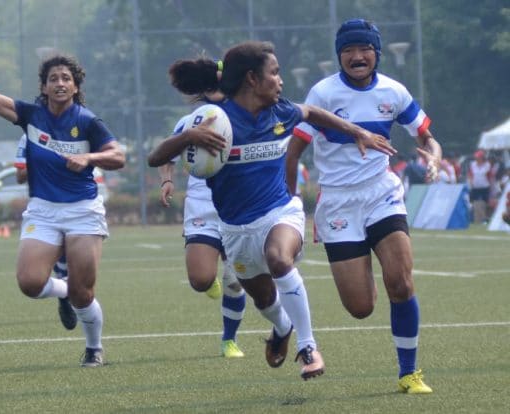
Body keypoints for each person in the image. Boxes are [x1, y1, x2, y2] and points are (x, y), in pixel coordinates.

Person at [148, 40, 395, 380]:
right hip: (235, 230)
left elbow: (311, 112)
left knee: (280, 258)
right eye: (275, 73)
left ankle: (308, 347)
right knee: (264, 300)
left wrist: (357, 132)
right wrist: (188, 137)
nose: (280, 81)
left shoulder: (280, 112)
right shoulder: (215, 121)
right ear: (252, 78)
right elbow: (155, 158)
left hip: (281, 212)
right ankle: (282, 327)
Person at [0, 54, 126, 367]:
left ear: (75, 87)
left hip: (82, 210)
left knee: (83, 293)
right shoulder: (31, 115)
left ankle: (94, 347)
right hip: (43, 210)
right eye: (53, 79)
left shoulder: (88, 121)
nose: (60, 83)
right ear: (44, 87)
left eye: (66, 78)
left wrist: (90, 159)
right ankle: (62, 292)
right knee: (30, 283)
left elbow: (118, 156)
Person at [286, 19, 441, 393]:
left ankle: (409, 373)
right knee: (360, 308)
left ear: (376, 53)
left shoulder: (394, 91)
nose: (357, 57)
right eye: (348, 51)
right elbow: (293, 154)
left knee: (402, 284)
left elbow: (428, 137)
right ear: (339, 56)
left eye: (364, 50)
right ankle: (364, 262)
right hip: (337, 203)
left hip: (381, 193)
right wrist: (288, 203)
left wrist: (433, 158)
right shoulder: (322, 94)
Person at [155, 115, 246, 358]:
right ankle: (209, 282)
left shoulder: (243, 115)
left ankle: (229, 340)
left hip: (237, 204)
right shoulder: (189, 121)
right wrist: (166, 180)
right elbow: (169, 154)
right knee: (199, 280)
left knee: (234, 281)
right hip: (201, 205)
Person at [15, 134, 77, 331]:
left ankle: (69, 291)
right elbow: (20, 176)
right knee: (52, 256)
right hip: (46, 209)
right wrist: (44, 162)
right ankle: (66, 293)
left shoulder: (82, 127)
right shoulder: (28, 137)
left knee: (78, 261)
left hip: (78, 205)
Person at [467, 150, 492, 224]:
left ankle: (483, 219)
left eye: (478, 157)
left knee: (484, 203)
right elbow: (470, 174)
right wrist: (471, 182)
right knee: (476, 203)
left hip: (484, 186)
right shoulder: (473, 164)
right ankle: (478, 219)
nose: (477, 159)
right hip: (475, 187)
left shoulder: (487, 165)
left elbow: (489, 176)